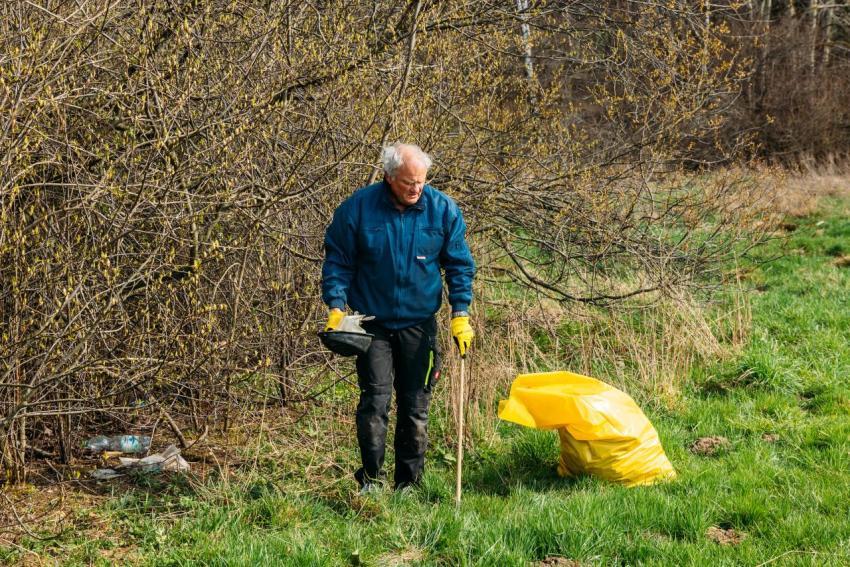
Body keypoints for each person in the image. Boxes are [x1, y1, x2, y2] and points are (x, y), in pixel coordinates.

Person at [321, 142, 475, 493]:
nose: (415, 189)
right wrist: (335, 306)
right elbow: (338, 262)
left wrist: (460, 313)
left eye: (420, 181)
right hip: (371, 325)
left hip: (419, 326)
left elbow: (459, 266)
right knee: (374, 404)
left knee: (415, 405)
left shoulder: (442, 210)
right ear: (389, 177)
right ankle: (371, 482)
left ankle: (408, 484)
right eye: (408, 182)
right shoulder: (358, 209)